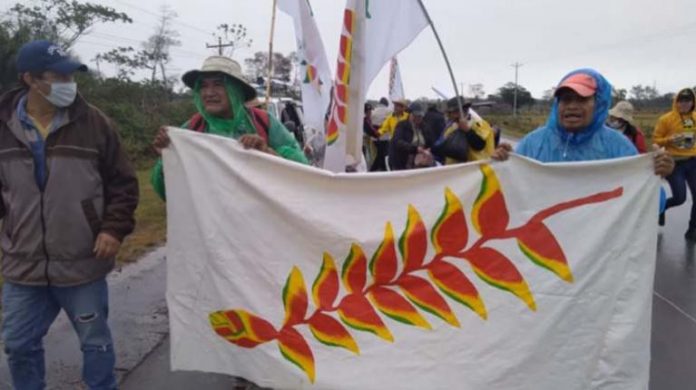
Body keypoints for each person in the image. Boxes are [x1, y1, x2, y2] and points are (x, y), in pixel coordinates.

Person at [0, 40, 139, 389]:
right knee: (18, 344)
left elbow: (123, 184)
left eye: (70, 75)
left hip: (83, 259)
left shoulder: (95, 124)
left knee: (95, 342)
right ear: (29, 79)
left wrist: (112, 229)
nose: (68, 82)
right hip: (23, 264)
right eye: (57, 75)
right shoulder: (2, 127)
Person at [151, 56, 308, 200]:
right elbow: (171, 192)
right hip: (213, 225)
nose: (209, 93)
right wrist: (167, 157)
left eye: (218, 84)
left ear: (236, 90)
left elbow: (302, 174)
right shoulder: (192, 129)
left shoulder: (264, 122)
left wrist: (266, 152)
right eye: (203, 86)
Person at [492, 68, 673, 182]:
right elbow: (508, 195)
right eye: (566, 99)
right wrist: (501, 165)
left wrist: (656, 174)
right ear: (557, 105)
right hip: (543, 242)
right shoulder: (532, 144)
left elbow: (647, 207)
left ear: (599, 104)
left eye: (582, 99)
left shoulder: (618, 147)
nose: (572, 106)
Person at [653, 88, 696, 238]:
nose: (685, 104)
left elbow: (691, 139)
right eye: (682, 101)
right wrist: (670, 140)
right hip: (675, 163)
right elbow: (656, 140)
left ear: (693, 102)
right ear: (676, 102)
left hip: (693, 162)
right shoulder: (666, 119)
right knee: (680, 198)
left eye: (688, 101)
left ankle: (692, 230)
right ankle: (661, 208)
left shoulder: (694, 118)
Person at [433, 97, 495, 165]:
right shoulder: (451, 128)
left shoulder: (479, 124)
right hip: (456, 171)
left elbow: (479, 145)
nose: (449, 116)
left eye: (452, 112)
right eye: (449, 113)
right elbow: (442, 147)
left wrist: (467, 130)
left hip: (476, 170)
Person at [389, 102, 434, 170]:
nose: (419, 118)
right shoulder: (402, 125)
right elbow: (398, 142)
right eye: (416, 115)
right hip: (403, 162)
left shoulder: (425, 127)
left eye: (420, 116)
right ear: (410, 114)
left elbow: (431, 141)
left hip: (421, 161)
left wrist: (429, 148)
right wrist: (415, 149)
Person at [370, 97, 392, 171]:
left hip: (374, 138)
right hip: (385, 138)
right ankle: (375, 169)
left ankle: (377, 169)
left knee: (379, 155)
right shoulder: (389, 111)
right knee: (383, 155)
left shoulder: (373, 111)